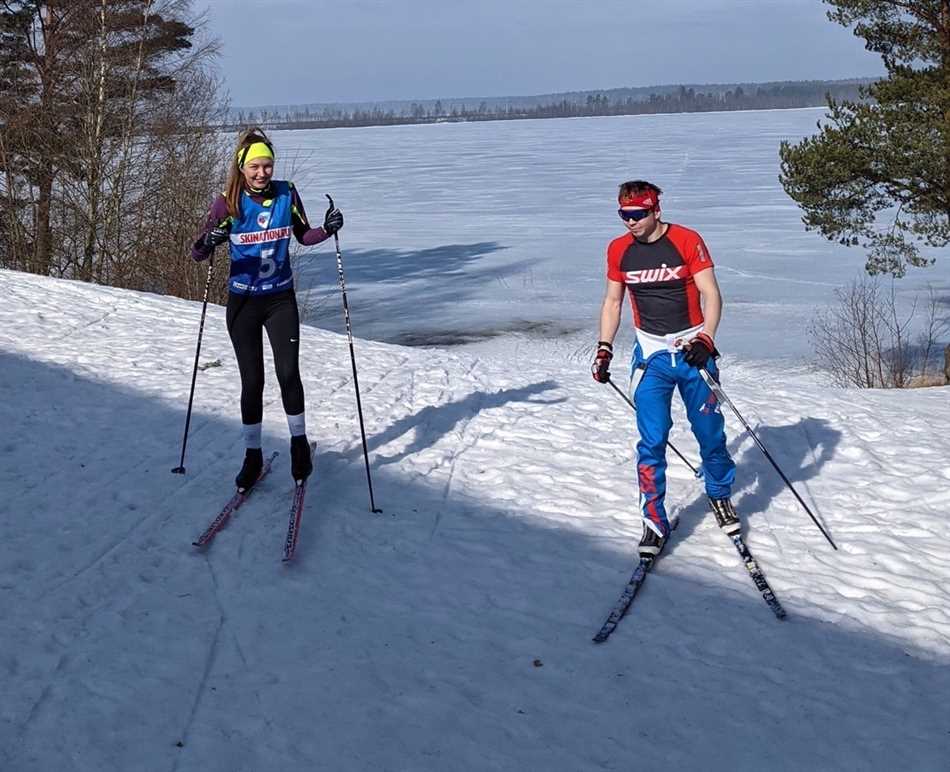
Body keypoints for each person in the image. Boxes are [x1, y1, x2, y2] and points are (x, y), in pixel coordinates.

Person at [592, 180, 738, 560]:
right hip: (651, 356)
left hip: (693, 352)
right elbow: (612, 301)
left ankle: (720, 495)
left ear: (655, 210)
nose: (630, 222)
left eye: (637, 215)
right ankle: (654, 521)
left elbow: (711, 293)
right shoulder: (618, 250)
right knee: (652, 442)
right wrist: (604, 348)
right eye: (624, 215)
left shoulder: (687, 240)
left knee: (710, 435)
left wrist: (706, 337)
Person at [192, 127, 344, 489]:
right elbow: (197, 252)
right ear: (242, 168)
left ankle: (299, 446)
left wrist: (327, 229)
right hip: (243, 302)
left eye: (268, 166)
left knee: (288, 374)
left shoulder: (285, 194)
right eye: (255, 167)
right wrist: (210, 239)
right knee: (253, 382)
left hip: (280, 299)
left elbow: (303, 234)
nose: (262, 173)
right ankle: (252, 455)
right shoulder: (226, 202)